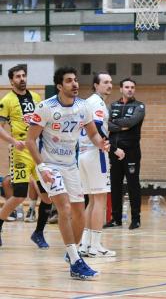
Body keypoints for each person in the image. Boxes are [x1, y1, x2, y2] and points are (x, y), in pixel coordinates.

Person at [27, 66, 110, 279]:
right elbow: (30, 140)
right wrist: (41, 167)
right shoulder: (45, 107)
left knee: (79, 212)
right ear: (59, 86)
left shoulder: (83, 107)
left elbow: (92, 134)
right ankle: (75, 260)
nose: (75, 84)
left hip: (70, 166)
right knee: (63, 208)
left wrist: (102, 144)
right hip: (50, 166)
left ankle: (71, 253)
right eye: (69, 81)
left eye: (75, 80)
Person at [0, 64, 53, 249]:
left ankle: (38, 233)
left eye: (24, 75)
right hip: (20, 152)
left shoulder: (36, 97)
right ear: (11, 80)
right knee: (19, 195)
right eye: (18, 76)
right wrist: (13, 141)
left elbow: (42, 123)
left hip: (37, 151)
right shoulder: (7, 100)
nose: (22, 79)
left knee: (47, 196)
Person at [78, 73, 125, 258]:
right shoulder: (97, 103)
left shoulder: (87, 102)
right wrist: (113, 149)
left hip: (83, 154)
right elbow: (96, 128)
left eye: (111, 82)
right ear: (96, 85)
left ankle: (86, 244)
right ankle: (96, 246)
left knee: (91, 200)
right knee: (100, 200)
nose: (109, 85)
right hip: (95, 153)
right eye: (105, 82)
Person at [106, 78, 145, 230]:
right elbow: (106, 123)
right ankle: (116, 219)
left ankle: (136, 219)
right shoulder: (113, 105)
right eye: (127, 87)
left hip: (132, 152)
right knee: (115, 185)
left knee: (133, 184)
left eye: (132, 87)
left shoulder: (139, 106)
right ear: (121, 89)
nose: (130, 89)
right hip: (114, 151)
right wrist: (119, 126)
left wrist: (116, 123)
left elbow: (131, 122)